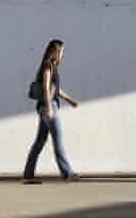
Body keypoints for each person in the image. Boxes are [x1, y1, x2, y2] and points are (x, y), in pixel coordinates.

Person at [22, 38, 81, 183]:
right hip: (49, 107)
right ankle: (67, 173)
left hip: (45, 107)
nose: (63, 55)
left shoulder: (51, 66)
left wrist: (70, 100)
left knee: (40, 141)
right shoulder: (48, 67)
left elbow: (56, 90)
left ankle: (28, 175)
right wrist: (49, 108)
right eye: (62, 52)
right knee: (57, 140)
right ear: (56, 52)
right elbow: (47, 88)